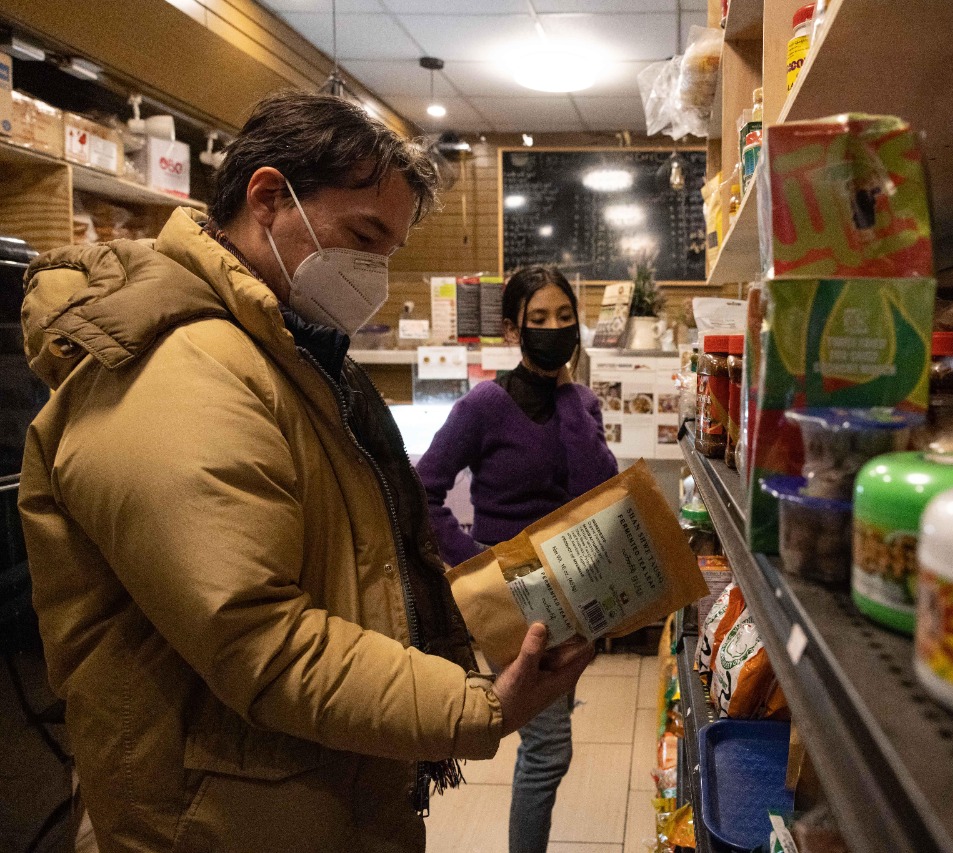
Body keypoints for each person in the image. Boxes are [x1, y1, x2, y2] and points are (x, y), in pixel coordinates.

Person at [17, 92, 593, 853]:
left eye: (389, 252)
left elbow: (359, 563)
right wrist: (476, 705)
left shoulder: (290, 356)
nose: (374, 273)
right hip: (214, 819)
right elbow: (260, 638)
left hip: (302, 794)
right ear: (266, 197)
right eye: (363, 237)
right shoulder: (178, 371)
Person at [415, 265, 619, 853]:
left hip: (573, 588)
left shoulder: (580, 402)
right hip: (515, 593)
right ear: (512, 330)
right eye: (539, 320)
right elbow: (423, 489)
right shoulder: (484, 406)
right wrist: (476, 561)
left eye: (564, 317)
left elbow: (596, 493)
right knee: (549, 751)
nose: (555, 328)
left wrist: (572, 404)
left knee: (547, 734)